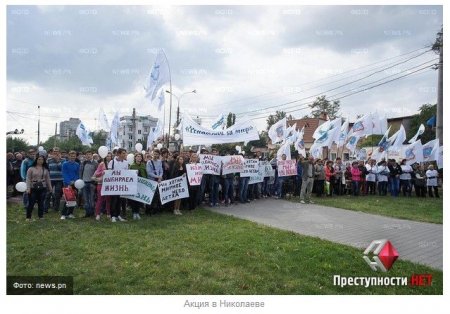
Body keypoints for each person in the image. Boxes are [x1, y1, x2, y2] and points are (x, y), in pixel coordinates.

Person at [25, 155, 52, 220]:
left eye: (42, 159)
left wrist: (50, 188)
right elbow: (28, 179)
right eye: (39, 159)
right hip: (33, 187)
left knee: (41, 202)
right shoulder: (31, 168)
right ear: (36, 160)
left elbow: (48, 179)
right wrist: (28, 188)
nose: (40, 161)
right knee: (31, 203)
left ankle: (41, 216)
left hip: (43, 187)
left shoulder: (45, 169)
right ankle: (28, 217)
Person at [108, 148, 129, 222]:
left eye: (125, 153)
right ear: (119, 154)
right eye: (123, 153)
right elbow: (109, 173)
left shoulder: (126, 163)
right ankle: (113, 216)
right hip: (114, 185)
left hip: (122, 185)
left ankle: (118, 215)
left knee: (120, 200)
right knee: (114, 200)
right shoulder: (112, 162)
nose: (125, 155)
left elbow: (127, 173)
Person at [61, 150, 80, 219]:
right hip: (67, 183)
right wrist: (69, 182)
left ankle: (70, 213)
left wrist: (74, 181)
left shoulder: (77, 164)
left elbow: (77, 174)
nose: (72, 157)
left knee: (73, 199)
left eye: (74, 156)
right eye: (71, 156)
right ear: (69, 156)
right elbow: (64, 174)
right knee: (67, 199)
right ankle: (63, 214)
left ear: (75, 157)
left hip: (75, 183)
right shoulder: (65, 164)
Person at [93, 152, 112, 220]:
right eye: (107, 156)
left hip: (109, 185)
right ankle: (97, 214)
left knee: (108, 200)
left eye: (110, 156)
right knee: (100, 200)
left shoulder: (113, 164)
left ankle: (108, 213)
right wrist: (102, 172)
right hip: (101, 184)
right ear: (104, 157)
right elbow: (96, 174)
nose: (108, 157)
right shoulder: (101, 164)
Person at [45, 147, 65, 213]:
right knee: (48, 193)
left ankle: (56, 208)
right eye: (54, 151)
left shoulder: (63, 160)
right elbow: (47, 169)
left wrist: (58, 161)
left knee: (57, 194)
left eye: (57, 151)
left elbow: (61, 169)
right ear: (52, 152)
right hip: (50, 179)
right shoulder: (48, 160)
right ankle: (46, 208)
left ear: (59, 153)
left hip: (59, 179)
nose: (55, 153)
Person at [129, 153, 147, 219]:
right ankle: (134, 212)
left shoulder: (143, 165)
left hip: (141, 184)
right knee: (134, 199)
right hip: (134, 184)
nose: (139, 158)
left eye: (140, 157)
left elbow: (145, 174)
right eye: (138, 156)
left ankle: (137, 212)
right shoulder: (132, 166)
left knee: (139, 199)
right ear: (135, 158)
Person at [146, 149, 163, 215]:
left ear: (159, 155)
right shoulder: (149, 162)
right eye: (154, 154)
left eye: (157, 154)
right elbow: (149, 172)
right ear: (152, 154)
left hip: (158, 181)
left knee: (156, 196)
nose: (156, 155)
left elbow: (161, 170)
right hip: (151, 180)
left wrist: (160, 176)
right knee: (150, 195)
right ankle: (148, 210)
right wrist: (157, 177)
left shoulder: (159, 162)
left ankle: (155, 209)